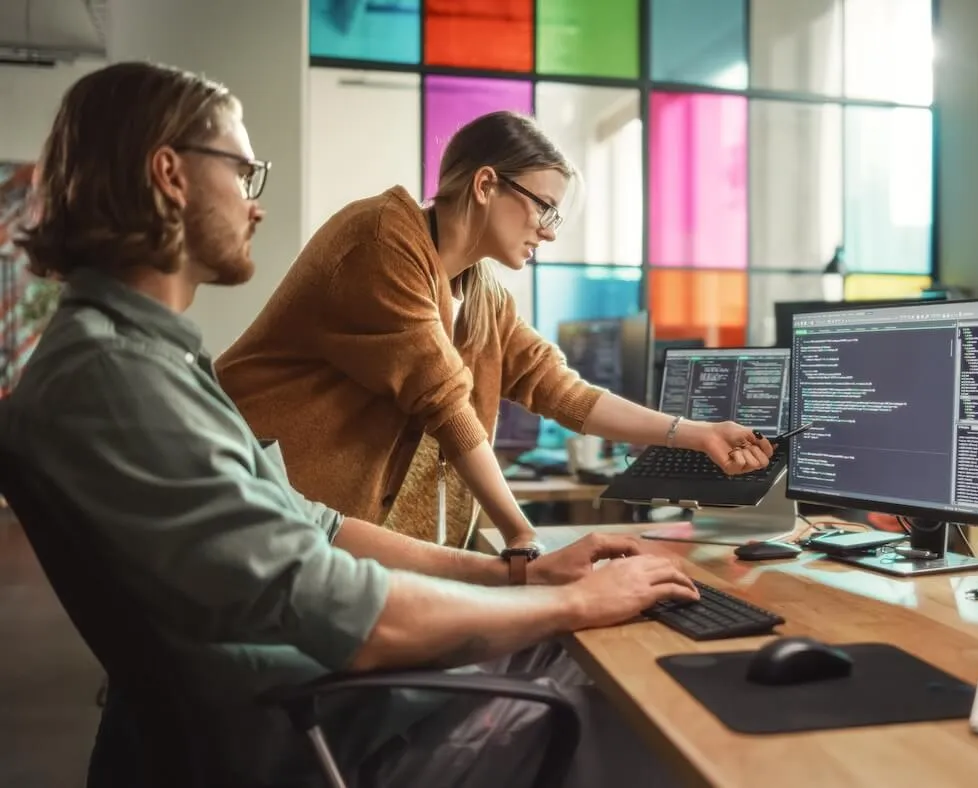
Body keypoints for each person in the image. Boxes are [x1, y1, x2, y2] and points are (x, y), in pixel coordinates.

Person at [4, 60, 697, 788]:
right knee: (628, 701)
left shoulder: (149, 363)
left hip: (306, 692)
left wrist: (515, 573)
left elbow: (316, 525)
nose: (255, 204)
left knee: (588, 640)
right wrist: (568, 596)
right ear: (170, 174)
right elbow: (345, 606)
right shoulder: (118, 382)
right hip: (302, 728)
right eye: (243, 172)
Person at [213, 110, 774, 551]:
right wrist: (522, 535)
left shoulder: (481, 293)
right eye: (544, 209)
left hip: (335, 542)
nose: (548, 233)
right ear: (486, 185)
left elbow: (561, 390)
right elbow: (445, 402)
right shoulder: (383, 240)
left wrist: (697, 433)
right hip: (255, 514)